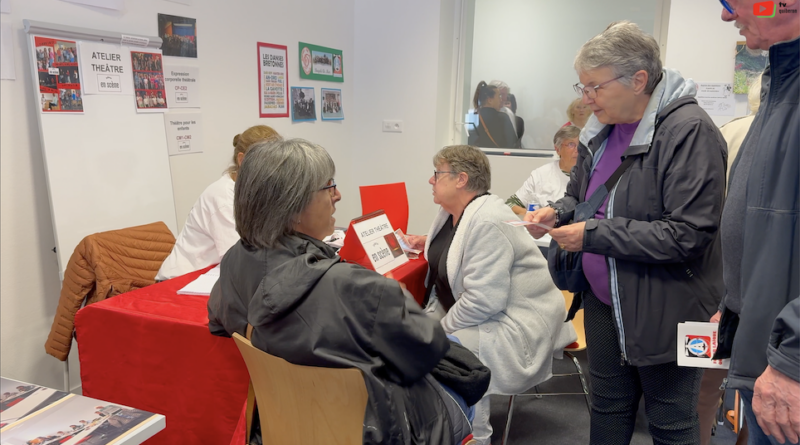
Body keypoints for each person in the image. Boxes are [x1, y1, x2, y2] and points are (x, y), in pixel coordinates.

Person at [207, 138, 487, 445]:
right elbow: (425, 349)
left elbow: (220, 322)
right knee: (457, 354)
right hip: (380, 427)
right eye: (328, 186)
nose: (338, 195)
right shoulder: (358, 288)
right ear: (293, 206)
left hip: (283, 423)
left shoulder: (234, 260)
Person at [525, 21, 727, 445]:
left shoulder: (689, 131)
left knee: (671, 421)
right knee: (608, 407)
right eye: (582, 87)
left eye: (594, 87)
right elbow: (580, 196)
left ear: (638, 80)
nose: (585, 99)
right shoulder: (600, 130)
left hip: (668, 306)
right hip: (602, 299)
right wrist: (557, 213)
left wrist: (593, 235)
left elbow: (688, 234)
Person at [406, 144, 576, 445]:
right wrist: (426, 242)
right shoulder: (453, 213)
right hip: (480, 310)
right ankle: (426, 421)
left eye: (437, 174)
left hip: (516, 324)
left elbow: (483, 302)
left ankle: (474, 436)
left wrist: (437, 331)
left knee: (452, 352)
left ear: (460, 179)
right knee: (402, 336)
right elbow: (458, 253)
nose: (431, 181)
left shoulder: (488, 220)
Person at [714, 1, 800, 444]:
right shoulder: (781, 83)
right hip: (766, 345)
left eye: (732, 1)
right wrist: (734, 304)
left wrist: (794, 361)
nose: (727, 16)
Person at [696, 74, 762, 445]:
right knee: (755, 391)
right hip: (764, 287)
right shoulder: (779, 135)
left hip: (716, 279)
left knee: (706, 389)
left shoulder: (727, 131)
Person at [155, 125, 282, 281]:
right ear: (242, 160)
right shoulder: (223, 198)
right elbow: (241, 258)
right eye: (268, 163)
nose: (275, 171)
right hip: (180, 281)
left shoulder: (259, 191)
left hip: (215, 274)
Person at [506, 125, 580, 216]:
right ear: (558, 149)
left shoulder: (590, 176)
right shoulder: (541, 174)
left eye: (581, 145)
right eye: (571, 144)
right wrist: (533, 216)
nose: (577, 150)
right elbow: (510, 204)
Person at [468, 81, 519, 148]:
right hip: (499, 156)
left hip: (479, 156)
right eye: (499, 96)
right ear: (490, 100)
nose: (501, 100)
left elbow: (471, 141)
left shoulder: (473, 117)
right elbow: (512, 143)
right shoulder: (503, 117)